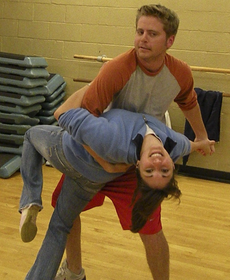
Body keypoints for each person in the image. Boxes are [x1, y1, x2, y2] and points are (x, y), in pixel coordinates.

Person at [52, 4, 214, 280]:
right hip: (99, 156)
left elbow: (189, 102)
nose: (142, 38)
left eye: (152, 33)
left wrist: (200, 136)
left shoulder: (180, 73)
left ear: (169, 40)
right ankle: (74, 271)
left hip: (141, 163)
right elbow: (84, 122)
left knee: (150, 229)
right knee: (63, 209)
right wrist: (104, 162)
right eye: (139, 31)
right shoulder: (116, 68)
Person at [19, 107, 214, 280]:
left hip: (91, 162)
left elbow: (67, 117)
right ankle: (73, 271)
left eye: (155, 171)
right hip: (100, 162)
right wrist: (201, 142)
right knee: (62, 218)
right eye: (162, 170)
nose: (157, 165)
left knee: (62, 222)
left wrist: (85, 96)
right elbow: (188, 141)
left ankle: (30, 203)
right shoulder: (173, 144)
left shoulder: (118, 141)